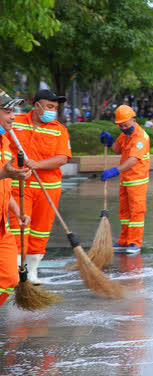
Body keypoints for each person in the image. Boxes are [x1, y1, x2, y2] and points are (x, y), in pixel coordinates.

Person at [8, 89, 71, 284]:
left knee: (40, 230)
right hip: (20, 184)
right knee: (19, 226)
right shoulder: (14, 123)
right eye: (50, 106)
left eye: (56, 108)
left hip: (48, 187)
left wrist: (38, 164)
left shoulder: (59, 129)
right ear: (37, 106)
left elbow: (62, 157)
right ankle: (18, 271)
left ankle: (33, 271)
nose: (53, 111)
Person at [100, 106, 150, 255]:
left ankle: (135, 242)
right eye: (120, 125)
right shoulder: (126, 135)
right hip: (126, 180)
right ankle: (124, 240)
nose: (123, 128)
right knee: (124, 213)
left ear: (133, 120)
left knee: (136, 212)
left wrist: (115, 170)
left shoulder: (140, 137)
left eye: (126, 125)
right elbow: (118, 149)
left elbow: (133, 160)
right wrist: (109, 143)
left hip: (137, 180)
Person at [0, 90, 31, 306]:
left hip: (2, 225)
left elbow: (4, 185)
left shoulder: (5, 141)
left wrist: (17, 210)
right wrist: (5, 173)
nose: (13, 116)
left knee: (10, 278)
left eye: (14, 111)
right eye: (7, 111)